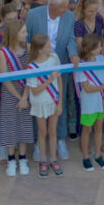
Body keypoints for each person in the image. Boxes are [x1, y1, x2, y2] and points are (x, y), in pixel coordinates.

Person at [24, 0, 79, 160]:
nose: (67, 9)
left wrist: (73, 54)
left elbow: (70, 38)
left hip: (59, 64)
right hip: (38, 66)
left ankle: (60, 140)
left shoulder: (69, 16)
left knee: (58, 102)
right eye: (63, 7)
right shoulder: (33, 15)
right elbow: (26, 40)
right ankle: (38, 144)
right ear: (53, 6)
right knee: (38, 103)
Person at [0, 20, 34, 178]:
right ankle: (11, 159)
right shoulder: (3, 52)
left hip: (26, 91)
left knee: (24, 124)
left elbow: (31, 75)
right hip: (10, 94)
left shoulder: (29, 49)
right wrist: (19, 97)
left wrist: (25, 97)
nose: (26, 35)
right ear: (14, 34)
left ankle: (23, 158)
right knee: (10, 124)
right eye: (23, 32)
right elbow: (5, 79)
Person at [25, 33, 63, 178]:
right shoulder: (31, 67)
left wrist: (60, 102)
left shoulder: (54, 58)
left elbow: (59, 80)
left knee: (53, 131)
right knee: (42, 132)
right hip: (40, 102)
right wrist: (49, 80)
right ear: (40, 49)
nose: (51, 46)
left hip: (53, 100)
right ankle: (43, 160)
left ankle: (53, 158)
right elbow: (34, 91)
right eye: (48, 45)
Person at [75, 33, 104, 171]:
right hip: (88, 103)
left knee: (99, 129)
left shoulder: (102, 59)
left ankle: (98, 155)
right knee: (86, 130)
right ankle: (85, 157)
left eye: (101, 46)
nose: (100, 49)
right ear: (89, 48)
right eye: (97, 47)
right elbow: (87, 88)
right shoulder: (81, 65)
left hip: (101, 101)